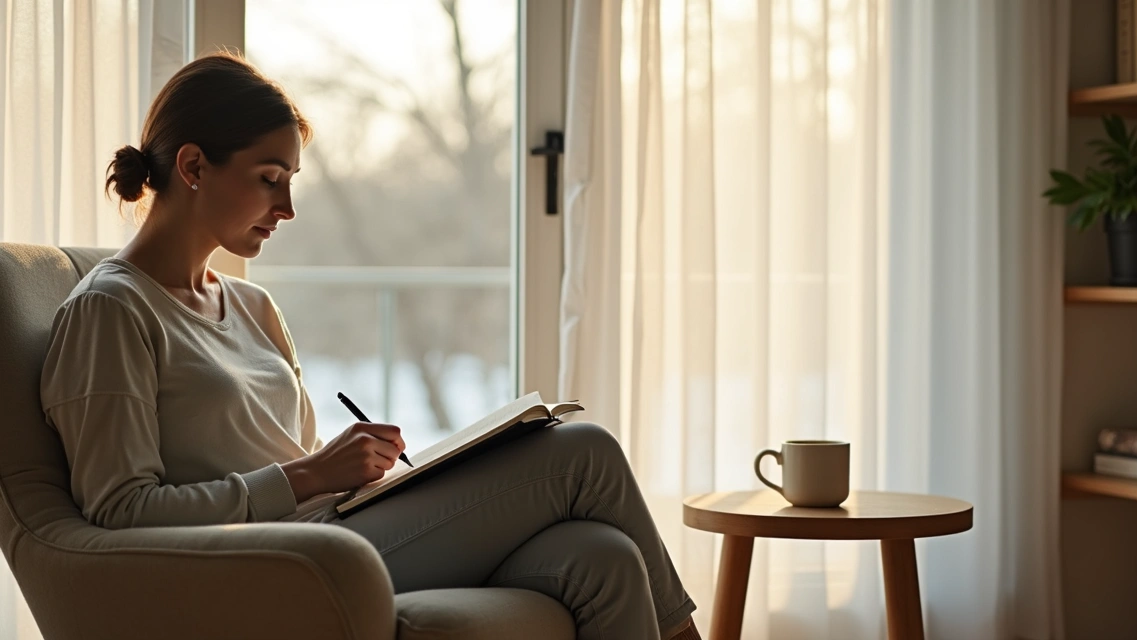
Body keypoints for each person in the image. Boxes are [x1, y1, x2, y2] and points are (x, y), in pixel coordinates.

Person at [39, 51, 699, 640]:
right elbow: (120, 511)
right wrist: (311, 474)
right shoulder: (111, 309)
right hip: (274, 564)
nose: (288, 206)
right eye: (270, 177)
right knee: (583, 452)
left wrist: (350, 473)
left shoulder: (251, 305)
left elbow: (293, 465)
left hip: (332, 533)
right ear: (192, 166)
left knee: (600, 558)